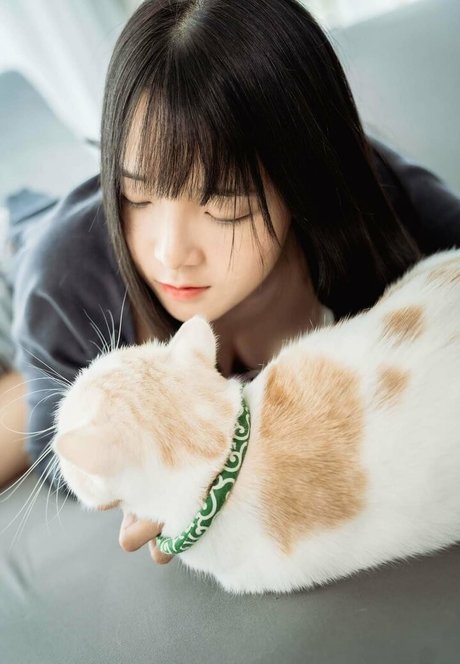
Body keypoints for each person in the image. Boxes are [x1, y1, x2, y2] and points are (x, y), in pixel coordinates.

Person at [2, 0, 460, 564]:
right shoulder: (66, 278)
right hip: (22, 262)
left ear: (303, 182)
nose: (170, 254)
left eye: (224, 206)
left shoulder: (374, 197)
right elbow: (49, 448)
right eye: (136, 195)